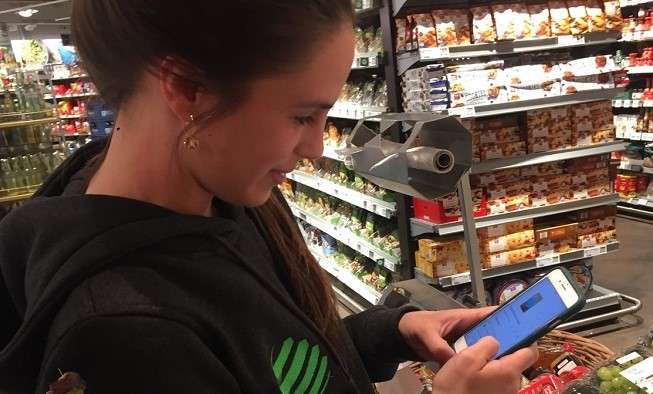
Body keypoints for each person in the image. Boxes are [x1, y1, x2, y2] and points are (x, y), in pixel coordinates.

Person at [0, 1, 538, 393]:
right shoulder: (123, 338)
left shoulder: (225, 194)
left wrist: (386, 332)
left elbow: (282, 361)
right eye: (302, 116)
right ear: (187, 89)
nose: (314, 149)